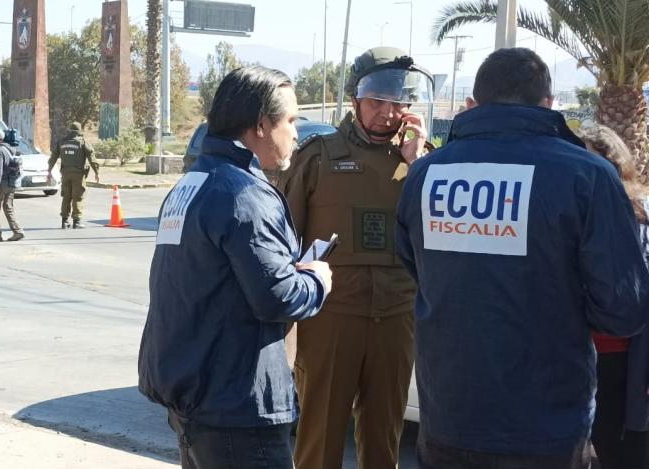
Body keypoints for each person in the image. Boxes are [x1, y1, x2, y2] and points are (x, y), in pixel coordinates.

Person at [395, 47, 649, 469]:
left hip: (447, 421)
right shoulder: (586, 175)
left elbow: (414, 267)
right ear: (548, 104)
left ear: (472, 104)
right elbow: (623, 310)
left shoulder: (426, 173)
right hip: (547, 428)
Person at [138, 66, 333, 469]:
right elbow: (278, 297)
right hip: (237, 407)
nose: (297, 133)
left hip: (194, 396)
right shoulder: (245, 194)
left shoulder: (191, 184)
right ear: (262, 125)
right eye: (292, 120)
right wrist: (315, 279)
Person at [278, 46, 433, 469]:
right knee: (320, 436)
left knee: (384, 438)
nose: (388, 112)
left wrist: (416, 164)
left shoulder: (423, 163)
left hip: (397, 318)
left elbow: (434, 242)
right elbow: (284, 241)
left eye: (398, 102)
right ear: (354, 100)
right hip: (331, 318)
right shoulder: (318, 157)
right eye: (376, 101)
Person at [579, 124, 649, 469]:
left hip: (622, 361)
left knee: (618, 449)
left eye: (597, 161)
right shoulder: (569, 213)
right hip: (573, 355)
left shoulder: (640, 218)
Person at [48, 121, 99, 229]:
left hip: (65, 174)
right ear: (79, 131)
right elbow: (92, 158)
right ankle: (77, 221)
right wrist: (96, 172)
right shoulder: (83, 142)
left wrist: (49, 170)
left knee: (66, 196)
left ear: (70, 131)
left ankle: (65, 221)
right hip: (78, 175)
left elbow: (53, 157)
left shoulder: (61, 142)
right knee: (78, 197)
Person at [0, 129, 24, 242]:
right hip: (11, 183)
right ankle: (17, 231)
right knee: (8, 207)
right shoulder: (11, 149)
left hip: (1, 184)